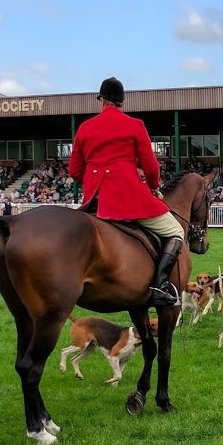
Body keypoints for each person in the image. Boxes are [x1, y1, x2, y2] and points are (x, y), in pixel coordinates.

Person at [69, 77, 184, 306]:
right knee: (176, 230)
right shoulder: (134, 125)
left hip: (94, 200)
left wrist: (95, 182)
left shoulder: (85, 127)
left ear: (101, 100)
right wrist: (153, 187)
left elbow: (74, 170)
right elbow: (151, 166)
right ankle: (159, 287)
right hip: (127, 197)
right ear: (122, 101)